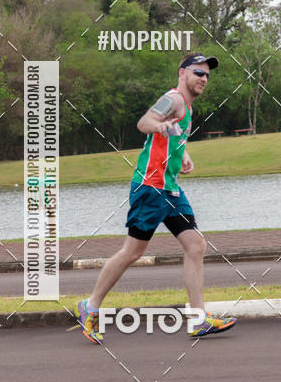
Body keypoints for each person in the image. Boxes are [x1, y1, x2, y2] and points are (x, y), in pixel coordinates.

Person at [74, 53, 237, 343]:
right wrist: (158, 125)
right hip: (150, 187)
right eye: (198, 72)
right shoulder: (173, 100)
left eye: (207, 75)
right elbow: (145, 122)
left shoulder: (186, 107)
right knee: (132, 252)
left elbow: (171, 136)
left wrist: (183, 154)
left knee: (196, 245)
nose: (203, 78)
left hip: (170, 188)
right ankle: (91, 306)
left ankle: (198, 319)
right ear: (182, 73)